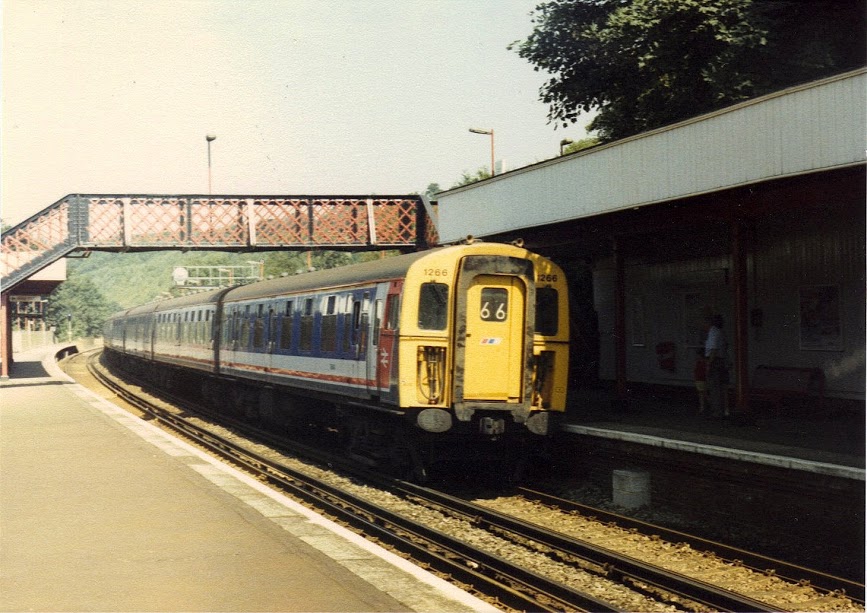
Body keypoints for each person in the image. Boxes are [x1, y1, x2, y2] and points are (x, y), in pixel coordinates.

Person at [704, 314, 729, 417]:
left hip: (715, 361)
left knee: (714, 387)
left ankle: (717, 411)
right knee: (720, 387)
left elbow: (713, 349)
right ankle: (722, 410)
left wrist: (709, 364)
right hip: (720, 360)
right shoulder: (720, 332)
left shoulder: (713, 332)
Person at [693, 348, 708, 414]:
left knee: (702, 394)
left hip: (701, 379)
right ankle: (703, 407)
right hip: (700, 379)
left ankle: (702, 407)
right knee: (702, 393)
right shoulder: (703, 362)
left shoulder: (701, 362)